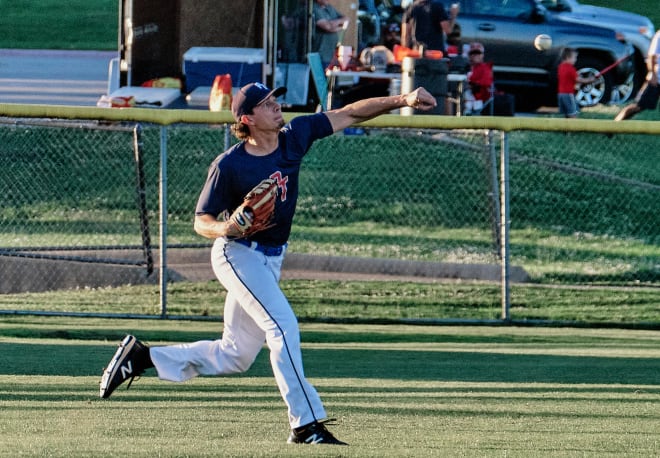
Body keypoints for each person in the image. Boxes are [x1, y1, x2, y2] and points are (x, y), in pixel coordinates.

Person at [99, 82, 437, 445]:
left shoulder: (296, 136)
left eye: (275, 99)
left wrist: (403, 99)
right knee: (283, 328)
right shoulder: (229, 164)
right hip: (237, 253)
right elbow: (201, 221)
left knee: (235, 355)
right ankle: (305, 424)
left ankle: (144, 357)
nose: (276, 105)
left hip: (271, 258)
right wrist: (226, 226)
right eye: (266, 103)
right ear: (247, 118)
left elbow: (351, 112)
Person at [615, 30, 660, 121]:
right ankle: (614, 126)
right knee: (638, 106)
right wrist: (652, 74)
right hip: (657, 79)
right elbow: (651, 56)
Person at [557, 47, 595, 118]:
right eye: (574, 57)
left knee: (566, 114)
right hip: (569, 94)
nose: (576, 60)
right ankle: (574, 127)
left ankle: (566, 128)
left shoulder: (560, 67)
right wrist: (590, 80)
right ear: (568, 58)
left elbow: (569, 80)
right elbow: (579, 80)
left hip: (561, 95)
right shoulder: (570, 68)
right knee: (573, 113)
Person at [312, 0, 348, 67]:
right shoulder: (314, 9)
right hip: (320, 56)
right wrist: (340, 25)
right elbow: (328, 27)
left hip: (331, 56)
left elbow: (346, 19)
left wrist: (334, 23)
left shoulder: (329, 7)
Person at [464, 42, 494, 114]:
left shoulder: (485, 67)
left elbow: (486, 82)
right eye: (473, 53)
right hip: (464, 95)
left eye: (478, 53)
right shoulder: (464, 67)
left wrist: (471, 84)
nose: (475, 55)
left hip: (478, 97)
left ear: (482, 55)